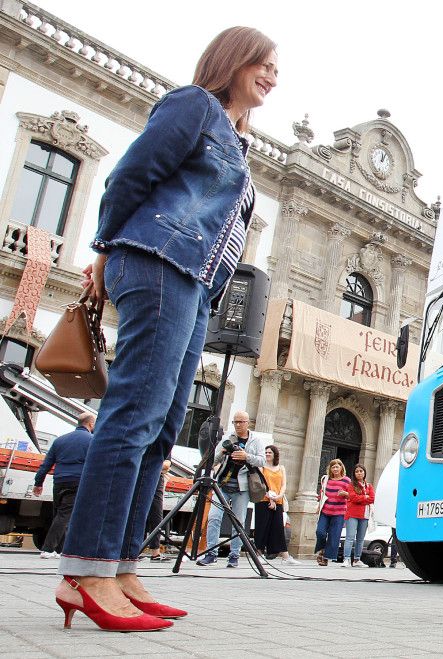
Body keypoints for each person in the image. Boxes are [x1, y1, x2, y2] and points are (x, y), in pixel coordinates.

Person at [54, 26, 277, 632]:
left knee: (161, 428)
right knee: (133, 416)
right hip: (158, 264)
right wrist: (104, 246)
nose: (273, 76)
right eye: (264, 62)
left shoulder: (236, 136)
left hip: (195, 285)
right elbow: (129, 176)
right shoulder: (194, 106)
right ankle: (88, 569)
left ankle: (120, 565)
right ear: (233, 60)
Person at [196, 411, 266, 567]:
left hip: (242, 487)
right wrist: (221, 452)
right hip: (222, 484)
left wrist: (246, 456)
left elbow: (262, 461)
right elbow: (212, 460)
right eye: (235, 422)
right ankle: (211, 553)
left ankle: (234, 556)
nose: (238, 425)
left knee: (238, 522)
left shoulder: (256, 441)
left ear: (248, 423)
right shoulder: (228, 437)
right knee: (214, 517)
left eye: (241, 422)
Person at [32, 413, 95, 559]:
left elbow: (46, 464)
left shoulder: (59, 440)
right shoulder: (92, 441)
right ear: (91, 424)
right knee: (64, 515)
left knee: (59, 514)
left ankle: (60, 550)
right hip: (77, 481)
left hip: (59, 481)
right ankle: (47, 549)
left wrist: (38, 483)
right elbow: (96, 465)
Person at [255, 445, 299, 565]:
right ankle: (259, 553)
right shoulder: (261, 467)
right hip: (263, 500)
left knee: (278, 528)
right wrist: (270, 498)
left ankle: (285, 556)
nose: (267, 454)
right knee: (262, 527)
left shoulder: (281, 468)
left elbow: (284, 484)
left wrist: (279, 496)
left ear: (275, 454)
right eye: (266, 452)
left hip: (278, 500)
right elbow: (260, 483)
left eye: (270, 452)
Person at [314, 459, 352, 566]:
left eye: (337, 467)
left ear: (341, 468)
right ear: (330, 469)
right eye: (333, 467)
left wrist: (345, 494)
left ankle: (325, 556)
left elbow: (352, 496)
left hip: (339, 512)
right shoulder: (326, 480)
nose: (335, 469)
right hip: (325, 511)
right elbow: (322, 493)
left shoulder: (346, 481)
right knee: (320, 532)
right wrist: (318, 506)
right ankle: (322, 549)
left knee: (334, 535)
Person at [342, 463, 375, 568]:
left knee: (360, 539)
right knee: (350, 537)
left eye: (361, 471)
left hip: (364, 515)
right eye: (357, 471)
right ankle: (346, 559)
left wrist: (361, 497)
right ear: (354, 473)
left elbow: (372, 498)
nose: (359, 473)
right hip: (352, 514)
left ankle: (357, 559)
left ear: (364, 472)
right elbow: (353, 497)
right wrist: (365, 497)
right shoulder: (351, 485)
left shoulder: (369, 486)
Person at [144, 460, 171, 560]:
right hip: (146, 473)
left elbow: (167, 464)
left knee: (156, 514)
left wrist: (156, 466)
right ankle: (134, 551)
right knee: (139, 513)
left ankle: (155, 551)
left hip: (156, 476)